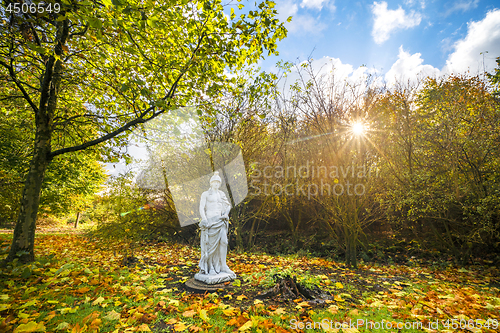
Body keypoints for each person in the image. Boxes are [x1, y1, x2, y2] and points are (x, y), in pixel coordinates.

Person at [196, 171, 236, 283]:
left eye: (218, 183)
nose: (217, 184)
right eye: (215, 182)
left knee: (224, 242)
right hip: (210, 222)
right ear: (211, 183)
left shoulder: (221, 194)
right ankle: (211, 267)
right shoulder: (205, 194)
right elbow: (201, 207)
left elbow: (227, 206)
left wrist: (225, 214)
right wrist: (204, 219)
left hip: (220, 221)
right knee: (211, 246)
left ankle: (223, 265)